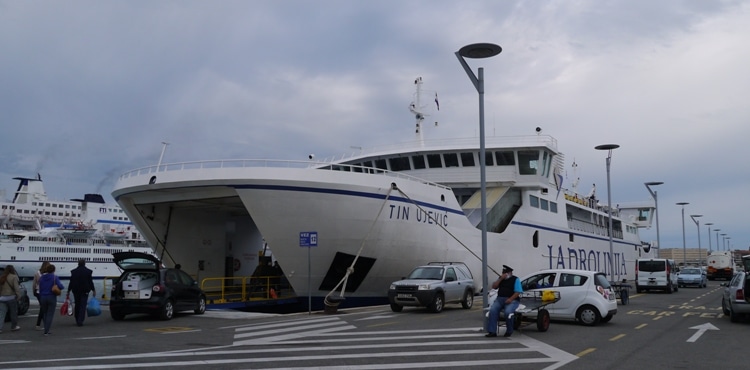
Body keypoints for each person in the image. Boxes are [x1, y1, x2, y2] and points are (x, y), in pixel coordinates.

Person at [486, 265, 523, 338]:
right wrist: (500, 279)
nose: (504, 274)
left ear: (510, 273)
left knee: (508, 312)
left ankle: (509, 330)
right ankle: (492, 331)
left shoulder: (515, 279)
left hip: (512, 300)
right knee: (493, 311)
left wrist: (510, 299)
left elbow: (518, 292)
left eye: (506, 273)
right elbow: (494, 286)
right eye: (503, 272)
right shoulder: (501, 279)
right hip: (500, 299)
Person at [38, 264, 64, 336]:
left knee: (45, 313)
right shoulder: (54, 277)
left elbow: (39, 287)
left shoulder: (42, 278)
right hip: (51, 296)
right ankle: (46, 330)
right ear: (54, 270)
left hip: (43, 296)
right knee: (50, 314)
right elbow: (61, 286)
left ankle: (46, 328)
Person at [68, 259, 95, 327]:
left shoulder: (73, 272)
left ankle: (77, 318)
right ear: (84, 263)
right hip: (85, 290)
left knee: (77, 304)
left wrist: (68, 291)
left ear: (78, 263)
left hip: (76, 290)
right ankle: (80, 320)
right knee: (83, 305)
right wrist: (93, 290)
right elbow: (90, 282)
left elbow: (71, 282)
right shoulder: (88, 272)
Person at [0, 265, 24, 333]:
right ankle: (14, 326)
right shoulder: (14, 277)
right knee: (13, 313)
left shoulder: (2, 277)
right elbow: (16, 288)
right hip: (11, 297)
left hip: (2, 298)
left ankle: (0, 328)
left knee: (1, 314)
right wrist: (18, 296)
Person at [32, 261, 51, 330]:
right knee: (43, 308)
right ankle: (39, 324)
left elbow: (34, 283)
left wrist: (33, 291)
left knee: (43, 308)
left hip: (38, 292)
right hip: (45, 292)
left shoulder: (37, 273)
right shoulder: (49, 273)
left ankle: (43, 323)